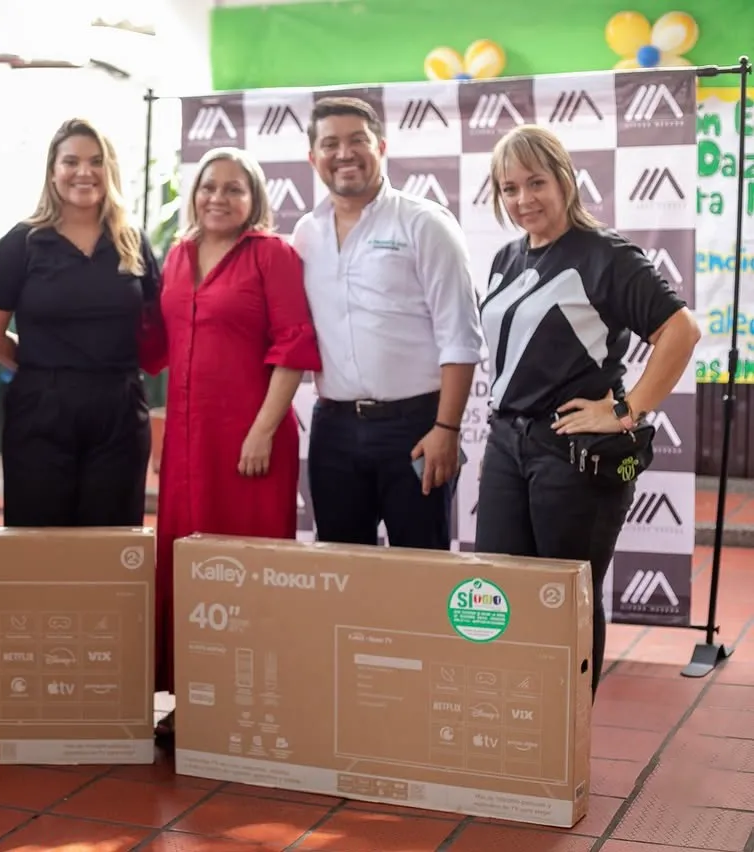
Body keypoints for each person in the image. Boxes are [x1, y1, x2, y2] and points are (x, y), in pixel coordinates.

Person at [475, 124, 701, 700]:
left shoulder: (606, 255)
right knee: (500, 596)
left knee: (566, 599)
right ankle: (514, 720)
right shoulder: (507, 255)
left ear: (565, 180)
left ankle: (566, 735)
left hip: (570, 453)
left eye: (536, 182)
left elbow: (681, 330)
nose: (523, 199)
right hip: (507, 444)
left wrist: (626, 409)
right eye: (508, 189)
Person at [141, 147, 322, 739]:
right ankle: (193, 700)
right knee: (185, 565)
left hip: (250, 443)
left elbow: (294, 344)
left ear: (255, 199)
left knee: (246, 568)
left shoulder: (272, 255)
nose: (218, 197)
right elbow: (153, 344)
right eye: (208, 186)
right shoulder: (176, 256)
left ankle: (255, 701)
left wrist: (263, 430)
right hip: (188, 444)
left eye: (233, 189)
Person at [292, 96, 485, 551]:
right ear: (313, 157)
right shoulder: (306, 234)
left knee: (421, 565)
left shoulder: (426, 223)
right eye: (330, 143)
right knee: (340, 569)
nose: (344, 153)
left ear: (380, 146)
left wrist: (447, 430)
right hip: (333, 429)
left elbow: (460, 336)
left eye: (357, 140)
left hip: (416, 427)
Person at [0, 118, 158, 527]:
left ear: (109, 169)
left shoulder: (132, 241)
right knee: (40, 541)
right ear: (53, 171)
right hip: (42, 407)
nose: (84, 172)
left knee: (115, 540)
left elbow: (157, 323)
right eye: (71, 161)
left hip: (120, 408)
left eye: (96, 161)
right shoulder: (20, 244)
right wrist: (43, 366)